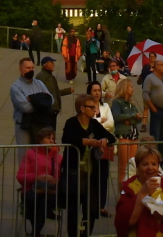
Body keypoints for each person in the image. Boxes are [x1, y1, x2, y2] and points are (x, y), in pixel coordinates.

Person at [61, 94, 116, 237]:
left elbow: (111, 137)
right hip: (75, 172)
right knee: (73, 208)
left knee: (91, 208)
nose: (95, 110)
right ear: (82, 108)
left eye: (95, 107)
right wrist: (85, 141)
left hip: (92, 173)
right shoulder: (71, 122)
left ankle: (86, 233)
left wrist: (104, 140)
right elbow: (66, 138)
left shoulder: (94, 124)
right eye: (91, 107)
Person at [117, 146, 163, 237]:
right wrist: (142, 194)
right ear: (137, 167)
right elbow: (124, 222)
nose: (150, 168)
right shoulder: (129, 187)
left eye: (154, 164)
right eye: (145, 164)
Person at [19, 126, 63, 237]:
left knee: (46, 201)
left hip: (51, 190)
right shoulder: (30, 154)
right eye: (48, 138)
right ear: (40, 140)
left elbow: (62, 177)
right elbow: (20, 175)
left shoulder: (58, 157)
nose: (51, 141)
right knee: (33, 199)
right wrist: (36, 178)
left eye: (53, 139)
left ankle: (35, 232)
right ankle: (36, 231)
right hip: (32, 188)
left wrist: (56, 181)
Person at [143, 60, 163, 148]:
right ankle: (154, 157)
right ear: (156, 66)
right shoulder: (149, 78)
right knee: (155, 136)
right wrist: (153, 108)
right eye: (162, 65)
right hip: (157, 110)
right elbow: (145, 94)